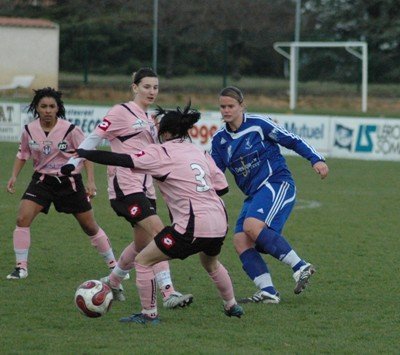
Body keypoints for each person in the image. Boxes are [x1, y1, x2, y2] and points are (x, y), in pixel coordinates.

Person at [72, 103, 244, 324]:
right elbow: (222, 188)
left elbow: (124, 160)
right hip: (220, 222)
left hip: (192, 225)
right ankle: (232, 305)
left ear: (163, 133)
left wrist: (84, 153)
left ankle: (148, 314)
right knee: (211, 264)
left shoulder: (160, 152)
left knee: (144, 260)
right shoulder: (199, 151)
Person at [62, 68, 192, 309]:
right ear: (134, 87)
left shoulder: (152, 118)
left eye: (155, 87)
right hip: (125, 188)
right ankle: (169, 292)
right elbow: (94, 137)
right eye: (146, 87)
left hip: (146, 188)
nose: (152, 91)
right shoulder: (120, 112)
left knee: (142, 244)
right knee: (160, 233)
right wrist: (74, 162)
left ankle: (112, 281)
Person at [210, 86, 329, 304]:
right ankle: (268, 292)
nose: (226, 110)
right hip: (254, 194)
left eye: (231, 106)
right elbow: (215, 175)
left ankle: (300, 266)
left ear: (241, 106)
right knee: (240, 240)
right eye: (222, 106)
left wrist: (316, 159)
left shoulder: (258, 124)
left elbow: (292, 140)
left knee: (252, 227)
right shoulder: (219, 141)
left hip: (276, 182)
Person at [6, 87, 118, 280]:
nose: (48, 110)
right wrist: (14, 176)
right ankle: (21, 268)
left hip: (70, 182)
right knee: (22, 219)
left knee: (90, 226)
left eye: (51, 106)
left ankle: (114, 266)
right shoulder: (29, 130)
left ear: (58, 108)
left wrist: (91, 181)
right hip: (42, 181)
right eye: (43, 106)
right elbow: (22, 154)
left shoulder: (71, 130)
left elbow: (86, 154)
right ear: (37, 108)